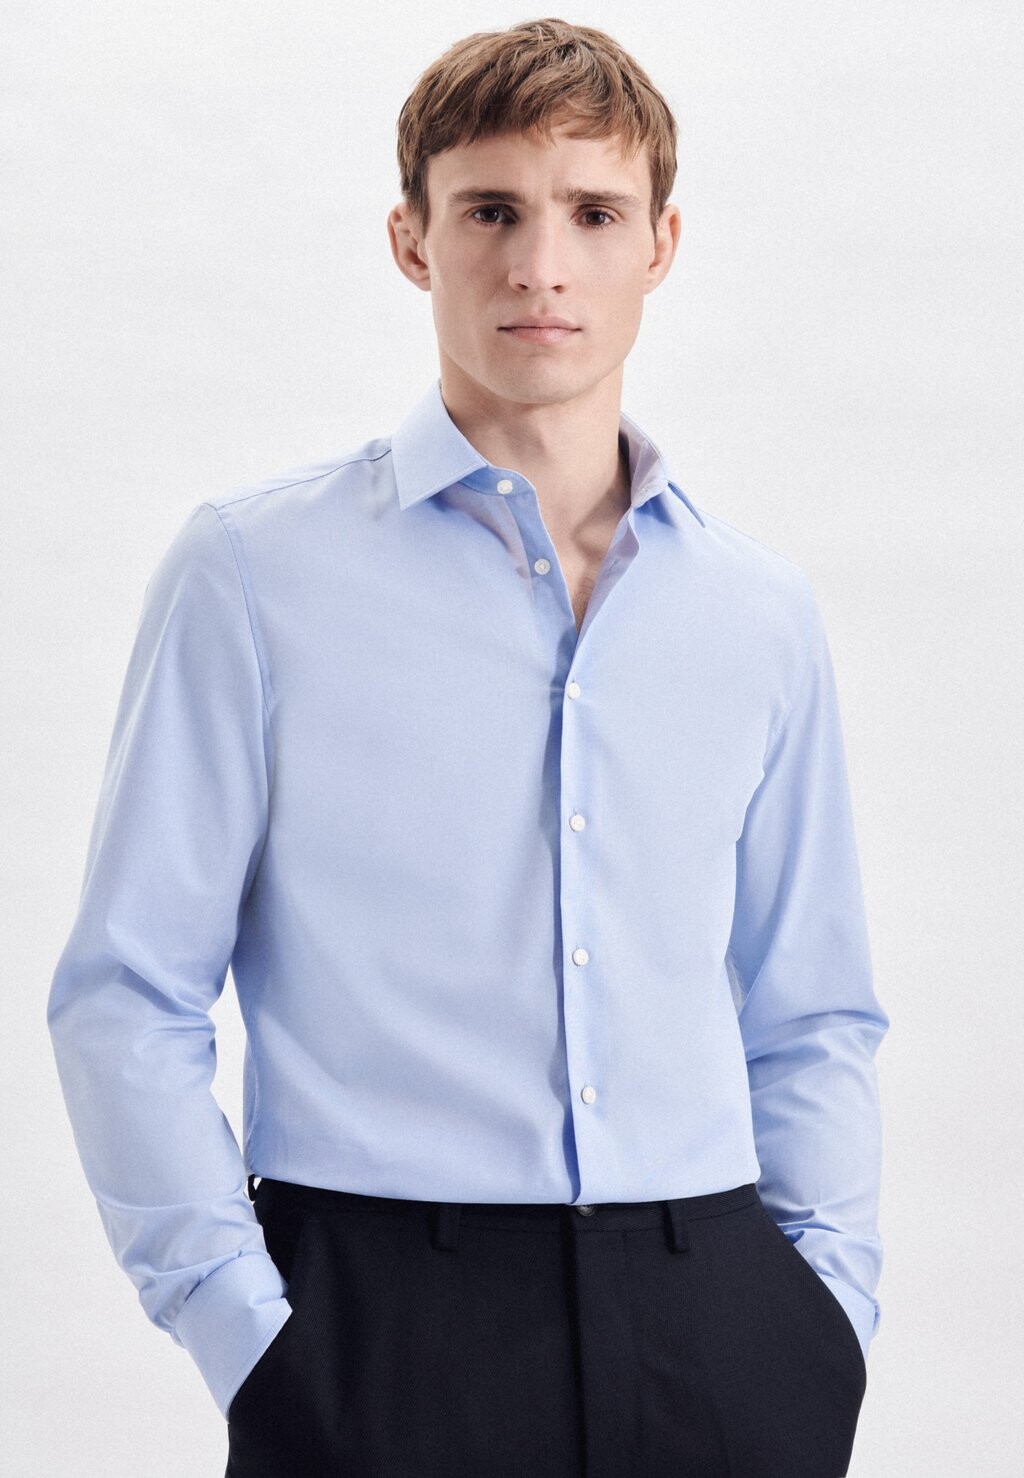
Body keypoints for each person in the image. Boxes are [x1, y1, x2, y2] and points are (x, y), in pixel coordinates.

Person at [47, 16, 890, 1477]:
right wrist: (252, 1338)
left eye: (593, 214)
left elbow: (811, 1008)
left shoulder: (757, 612)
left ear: (661, 245)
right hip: (380, 1324)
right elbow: (127, 993)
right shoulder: (253, 576)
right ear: (411, 239)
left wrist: (827, 1321)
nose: (541, 264)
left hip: (719, 1318)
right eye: (491, 209)